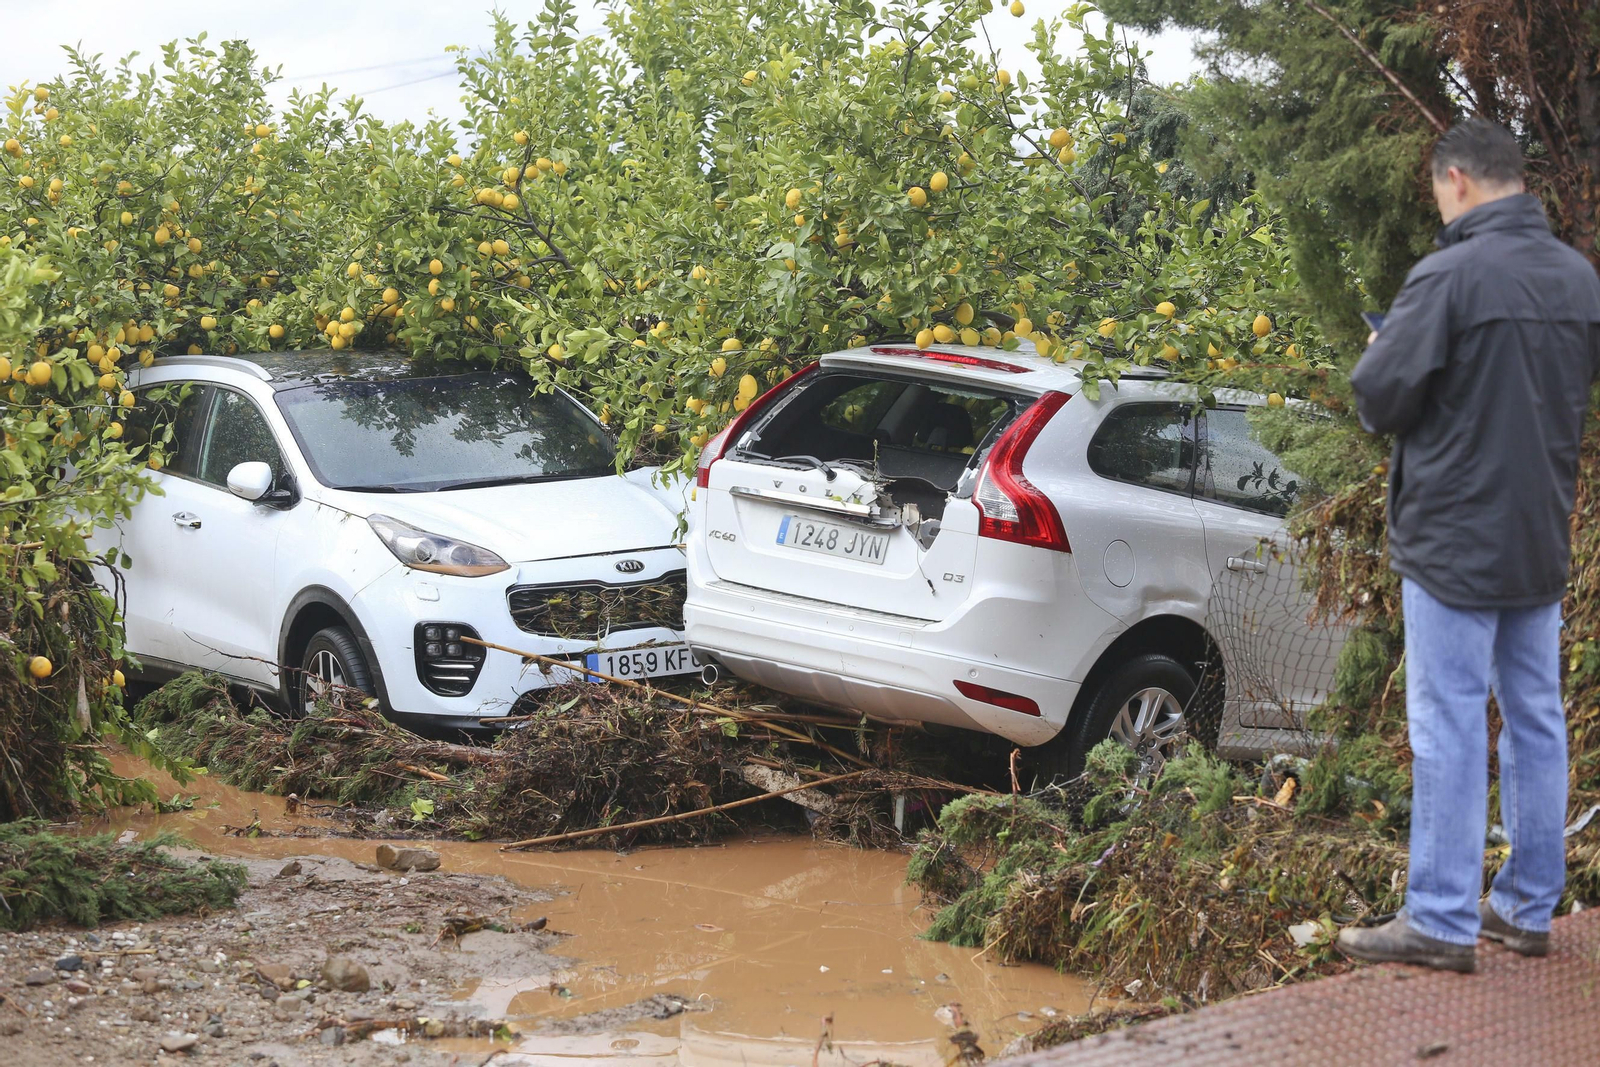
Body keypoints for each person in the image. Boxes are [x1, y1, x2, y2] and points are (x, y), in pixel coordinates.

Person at [1339, 119, 1600, 972]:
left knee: (1448, 720)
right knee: (1535, 716)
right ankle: (1527, 906)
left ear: (1456, 180)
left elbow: (1380, 398)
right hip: (1537, 533)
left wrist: (1383, 346)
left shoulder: (1447, 275)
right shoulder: (1577, 279)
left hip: (1453, 537)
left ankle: (1443, 919)